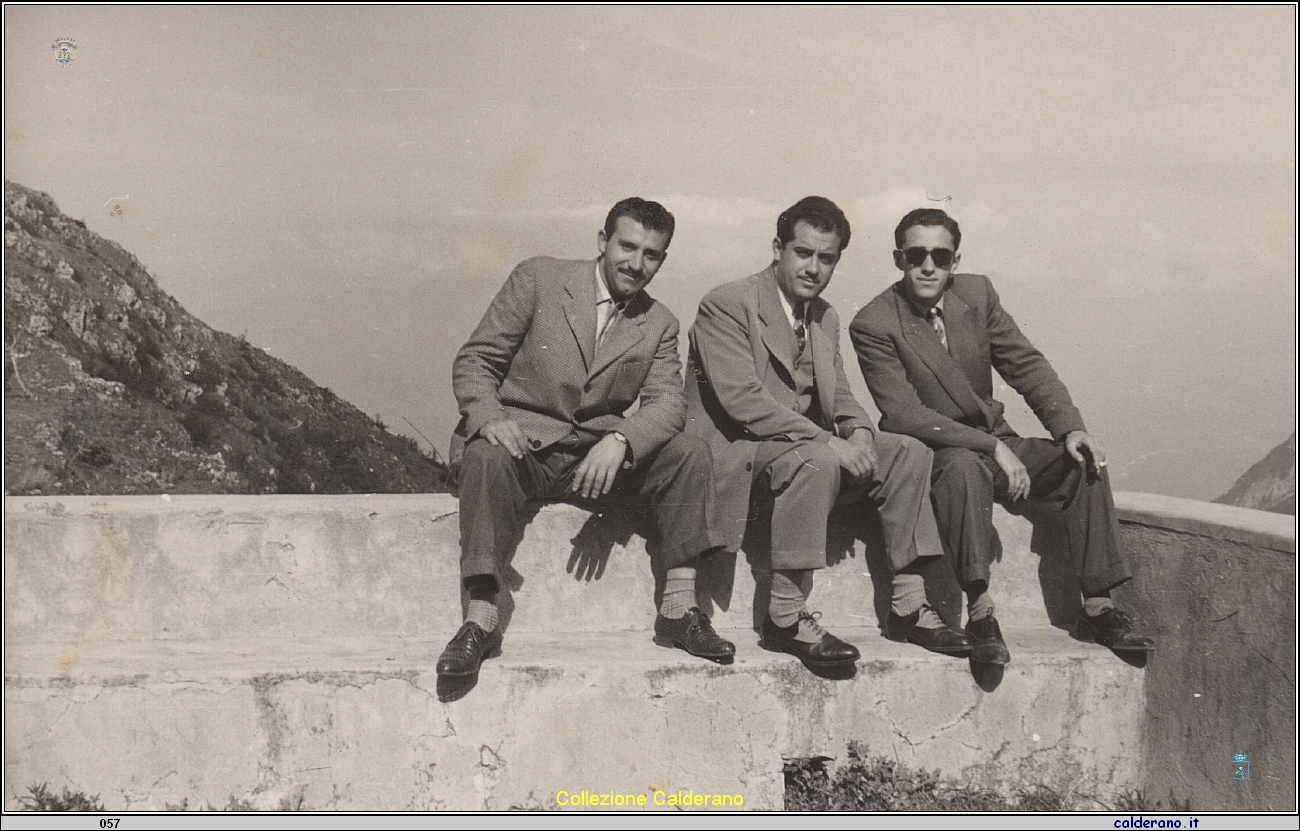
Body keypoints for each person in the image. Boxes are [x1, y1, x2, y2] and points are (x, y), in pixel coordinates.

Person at [440, 197, 734, 678]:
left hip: (595, 463)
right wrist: (490, 416)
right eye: (627, 247)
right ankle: (480, 620)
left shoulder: (660, 323)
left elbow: (668, 404)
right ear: (603, 241)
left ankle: (680, 609)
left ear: (662, 260)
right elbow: (477, 360)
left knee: (689, 453)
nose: (636, 264)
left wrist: (621, 440)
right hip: (524, 448)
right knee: (485, 455)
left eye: (651, 255)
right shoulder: (538, 278)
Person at [850, 207, 1154, 665]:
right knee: (964, 468)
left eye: (940, 256)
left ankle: (1098, 606)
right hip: (942, 453)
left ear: (955, 260)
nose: (928, 267)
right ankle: (980, 613)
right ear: (899, 259)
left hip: (997, 444)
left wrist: (1070, 428)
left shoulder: (976, 294)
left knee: (1082, 462)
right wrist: (991, 446)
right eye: (916, 256)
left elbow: (1025, 365)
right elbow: (904, 414)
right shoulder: (875, 323)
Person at [685, 196, 970, 673]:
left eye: (827, 258)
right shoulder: (729, 303)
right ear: (777, 249)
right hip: (738, 454)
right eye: (803, 253)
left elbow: (839, 393)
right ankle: (784, 615)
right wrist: (828, 441)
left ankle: (908, 605)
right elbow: (743, 402)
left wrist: (858, 433)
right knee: (816, 458)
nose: (813, 268)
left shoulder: (824, 316)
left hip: (795, 453)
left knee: (908, 451)